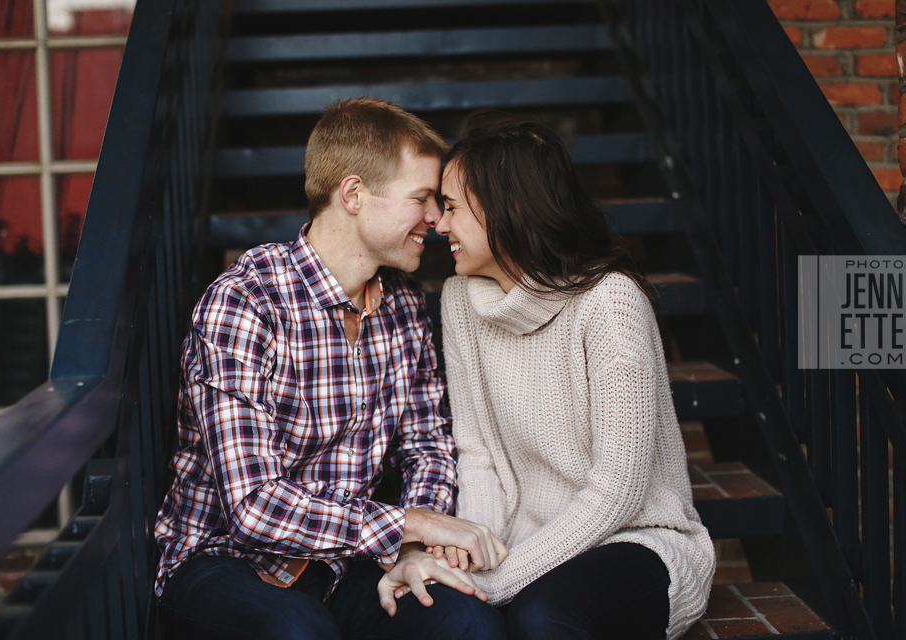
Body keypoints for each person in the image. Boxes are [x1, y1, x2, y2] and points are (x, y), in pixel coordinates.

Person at [153, 98, 509, 640]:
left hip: (345, 566)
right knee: (299, 630)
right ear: (353, 195)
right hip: (225, 562)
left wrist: (412, 551)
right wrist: (410, 524)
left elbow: (428, 447)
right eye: (422, 199)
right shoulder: (248, 302)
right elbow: (252, 508)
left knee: (468, 622)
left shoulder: (404, 306)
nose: (437, 219)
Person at [385, 114, 715, 639]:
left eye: (450, 208)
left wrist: (491, 582)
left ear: (507, 207)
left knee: (540, 617)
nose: (439, 225)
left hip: (634, 538)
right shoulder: (460, 301)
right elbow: (478, 456)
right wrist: (475, 546)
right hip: (522, 541)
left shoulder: (610, 303)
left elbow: (618, 493)